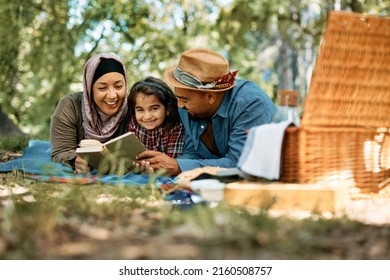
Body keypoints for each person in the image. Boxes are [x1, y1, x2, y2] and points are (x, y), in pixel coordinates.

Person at [135, 48, 276, 176]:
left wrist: (178, 166)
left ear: (210, 97)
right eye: (178, 98)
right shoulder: (186, 108)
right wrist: (166, 164)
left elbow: (239, 163)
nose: (179, 105)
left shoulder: (250, 104)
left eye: (184, 100)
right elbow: (193, 152)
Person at [50, 53, 131, 173]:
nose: (112, 95)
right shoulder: (70, 105)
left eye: (118, 86)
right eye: (102, 88)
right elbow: (60, 152)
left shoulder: (134, 107)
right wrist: (74, 160)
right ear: (89, 88)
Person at [128, 76, 184, 159]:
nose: (147, 117)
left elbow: (171, 162)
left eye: (154, 108)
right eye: (140, 110)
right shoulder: (134, 125)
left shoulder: (175, 127)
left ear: (168, 109)